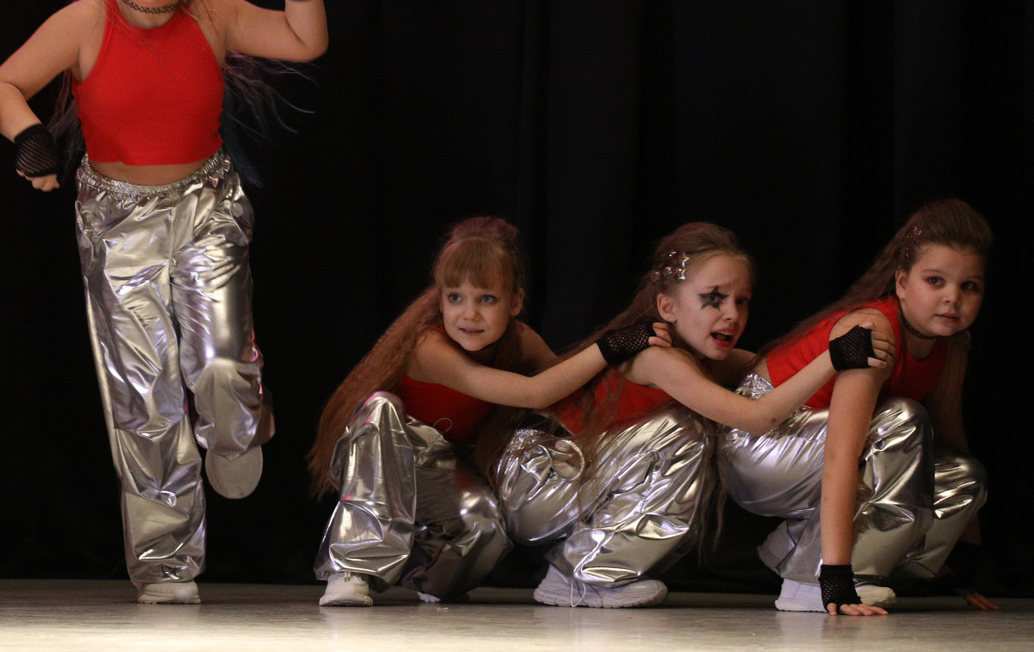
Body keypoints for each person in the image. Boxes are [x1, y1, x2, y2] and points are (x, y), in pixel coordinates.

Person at [0, 0, 327, 603]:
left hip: (205, 209)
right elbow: (2, 86)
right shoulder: (86, 21)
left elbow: (306, 39)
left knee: (222, 363)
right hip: (117, 225)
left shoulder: (213, 15)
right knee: (145, 398)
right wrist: (28, 138)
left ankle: (235, 430)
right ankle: (166, 561)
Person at [492, 223, 892, 608]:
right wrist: (835, 356)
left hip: (564, 485)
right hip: (535, 479)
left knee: (694, 430)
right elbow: (757, 417)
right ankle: (582, 575)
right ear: (667, 307)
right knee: (682, 432)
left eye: (741, 301)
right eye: (713, 298)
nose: (732, 314)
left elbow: (779, 373)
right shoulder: (659, 358)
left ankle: (801, 555)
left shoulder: (710, 358)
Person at [309, 217, 671, 607]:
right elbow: (534, 392)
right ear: (439, 300)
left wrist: (651, 367)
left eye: (486, 299)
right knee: (381, 407)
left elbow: (568, 391)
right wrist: (610, 345)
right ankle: (351, 568)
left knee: (488, 532)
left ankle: (428, 573)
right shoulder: (428, 346)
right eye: (455, 298)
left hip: (442, 471)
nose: (469, 314)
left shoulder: (522, 343)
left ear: (514, 302)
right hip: (381, 456)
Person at [721, 198, 993, 615]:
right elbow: (840, 456)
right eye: (935, 281)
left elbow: (951, 442)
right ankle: (815, 579)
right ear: (902, 283)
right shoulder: (872, 331)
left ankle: (831, 558)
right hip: (758, 445)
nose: (952, 298)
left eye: (968, 286)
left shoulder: (952, 345)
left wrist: (966, 564)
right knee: (903, 420)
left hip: (816, 452)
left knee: (964, 474)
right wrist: (835, 580)